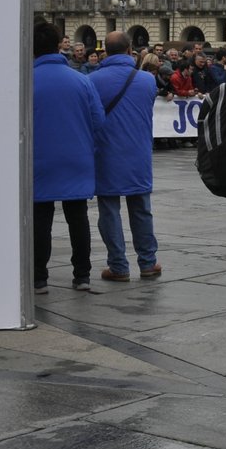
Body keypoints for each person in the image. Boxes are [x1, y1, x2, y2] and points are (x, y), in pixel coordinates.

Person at [32, 21, 104, 295]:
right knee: (78, 218)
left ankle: (39, 278)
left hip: (39, 159)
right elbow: (99, 120)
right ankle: (82, 275)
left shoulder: (25, 80)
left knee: (41, 220)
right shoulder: (81, 80)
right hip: (77, 157)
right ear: (58, 44)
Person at [89, 32, 162, 283]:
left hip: (106, 153)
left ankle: (118, 266)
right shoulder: (147, 81)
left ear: (105, 51)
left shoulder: (92, 80)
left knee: (109, 210)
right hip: (138, 153)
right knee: (142, 209)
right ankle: (148, 262)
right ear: (130, 49)